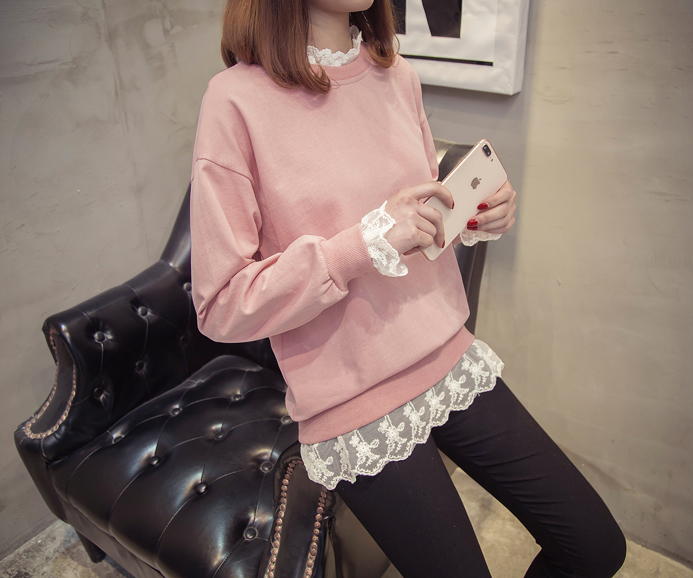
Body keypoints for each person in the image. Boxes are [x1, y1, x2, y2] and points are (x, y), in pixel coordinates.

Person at [189, 0, 627, 576]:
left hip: (445, 353)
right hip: (352, 396)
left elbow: (419, 225)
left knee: (595, 546)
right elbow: (220, 303)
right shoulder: (234, 101)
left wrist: (471, 218)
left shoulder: (397, 75)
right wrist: (359, 245)